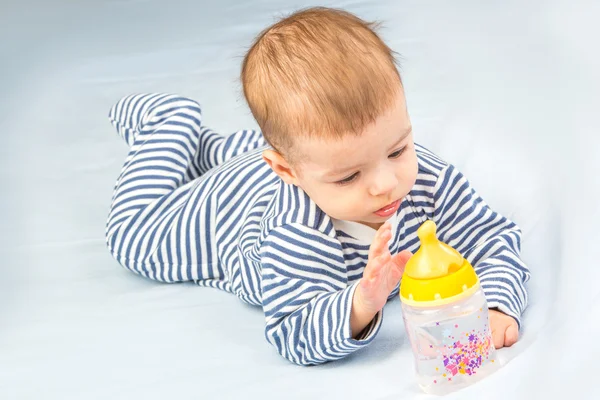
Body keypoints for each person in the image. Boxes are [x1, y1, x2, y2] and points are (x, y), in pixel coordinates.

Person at [105, 7, 529, 366]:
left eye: (398, 149)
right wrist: (361, 304)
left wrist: (492, 304)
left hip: (289, 162)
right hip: (221, 212)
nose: (386, 184)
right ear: (287, 172)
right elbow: (293, 329)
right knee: (132, 240)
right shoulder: (293, 232)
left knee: (291, 148)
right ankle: (168, 124)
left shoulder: (426, 180)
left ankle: (218, 149)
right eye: (350, 176)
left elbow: (491, 238)